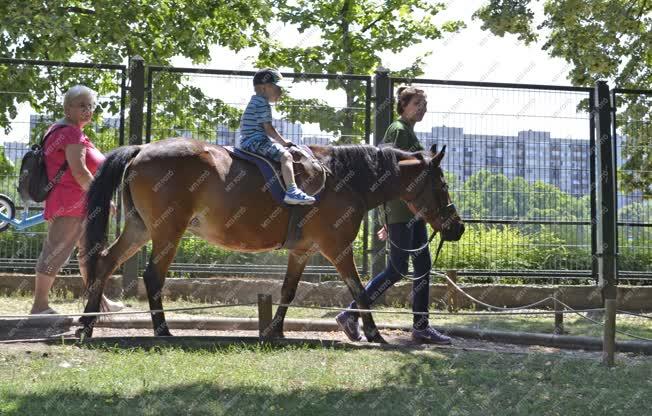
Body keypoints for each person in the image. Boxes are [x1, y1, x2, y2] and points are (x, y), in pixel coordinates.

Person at [336, 86, 452, 344]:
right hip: (400, 213)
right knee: (397, 269)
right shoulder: (397, 130)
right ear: (404, 105)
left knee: (423, 267)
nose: (422, 108)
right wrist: (384, 219)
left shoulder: (409, 132)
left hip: (416, 212)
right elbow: (384, 174)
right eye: (417, 104)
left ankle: (421, 327)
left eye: (424, 104)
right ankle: (351, 313)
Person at [30, 85, 123, 314]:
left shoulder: (61, 129)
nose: (88, 110)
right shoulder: (71, 133)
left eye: (91, 106)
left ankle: (98, 302)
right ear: (67, 108)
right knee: (56, 252)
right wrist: (100, 199)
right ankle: (39, 306)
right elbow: (80, 172)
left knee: (88, 254)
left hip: (79, 204)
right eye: (82, 105)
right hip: (71, 204)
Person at [238, 68, 315, 205]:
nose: (281, 92)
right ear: (263, 88)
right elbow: (268, 128)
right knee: (286, 156)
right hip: (256, 142)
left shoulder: (255, 101)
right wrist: (284, 142)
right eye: (277, 88)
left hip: (248, 141)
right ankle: (292, 192)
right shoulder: (262, 103)